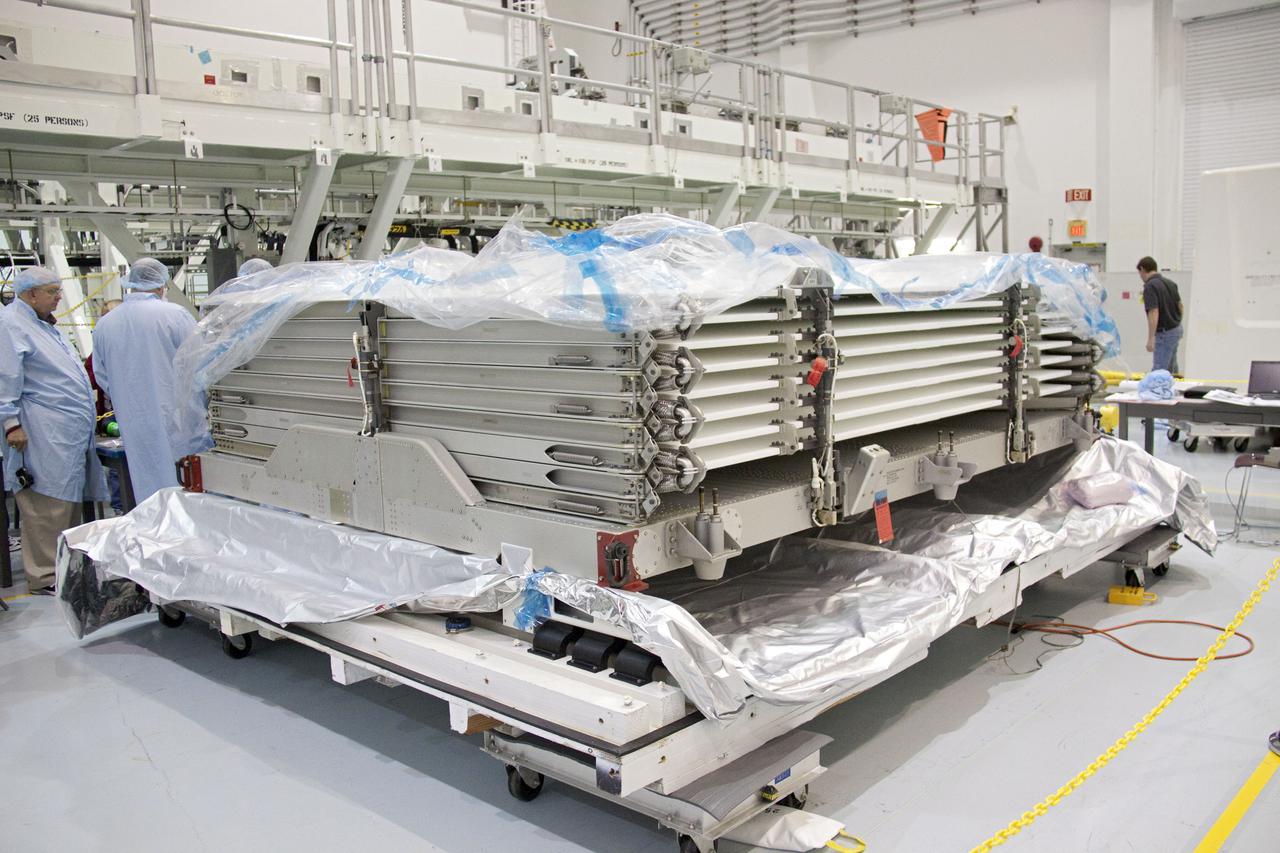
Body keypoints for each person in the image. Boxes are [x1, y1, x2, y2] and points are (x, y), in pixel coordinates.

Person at [0, 267, 107, 594]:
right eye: (52, 291)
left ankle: (63, 569)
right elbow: (5, 377)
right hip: (38, 429)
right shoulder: (10, 325)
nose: (59, 297)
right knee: (44, 502)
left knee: (63, 500)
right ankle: (45, 575)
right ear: (31, 294)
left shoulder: (40, 324)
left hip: (63, 430)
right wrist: (10, 423)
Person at [91, 258, 207, 504]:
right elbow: (199, 363)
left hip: (135, 424)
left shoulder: (105, 324)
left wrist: (129, 395)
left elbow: (102, 376)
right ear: (162, 283)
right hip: (180, 422)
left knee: (149, 491)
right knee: (186, 490)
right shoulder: (174, 314)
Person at [85, 298, 123, 513]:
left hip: (128, 414)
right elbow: (90, 377)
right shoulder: (98, 351)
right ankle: (119, 508)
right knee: (116, 471)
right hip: (109, 416)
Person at [1137, 256, 1183, 374]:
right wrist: (1177, 323)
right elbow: (1180, 306)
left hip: (1164, 332)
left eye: (1139, 273)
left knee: (1159, 372)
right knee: (1171, 369)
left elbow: (1154, 312)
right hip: (1176, 329)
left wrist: (1151, 338)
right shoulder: (1171, 283)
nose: (1140, 276)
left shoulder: (1150, 286)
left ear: (1142, 269)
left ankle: (1158, 392)